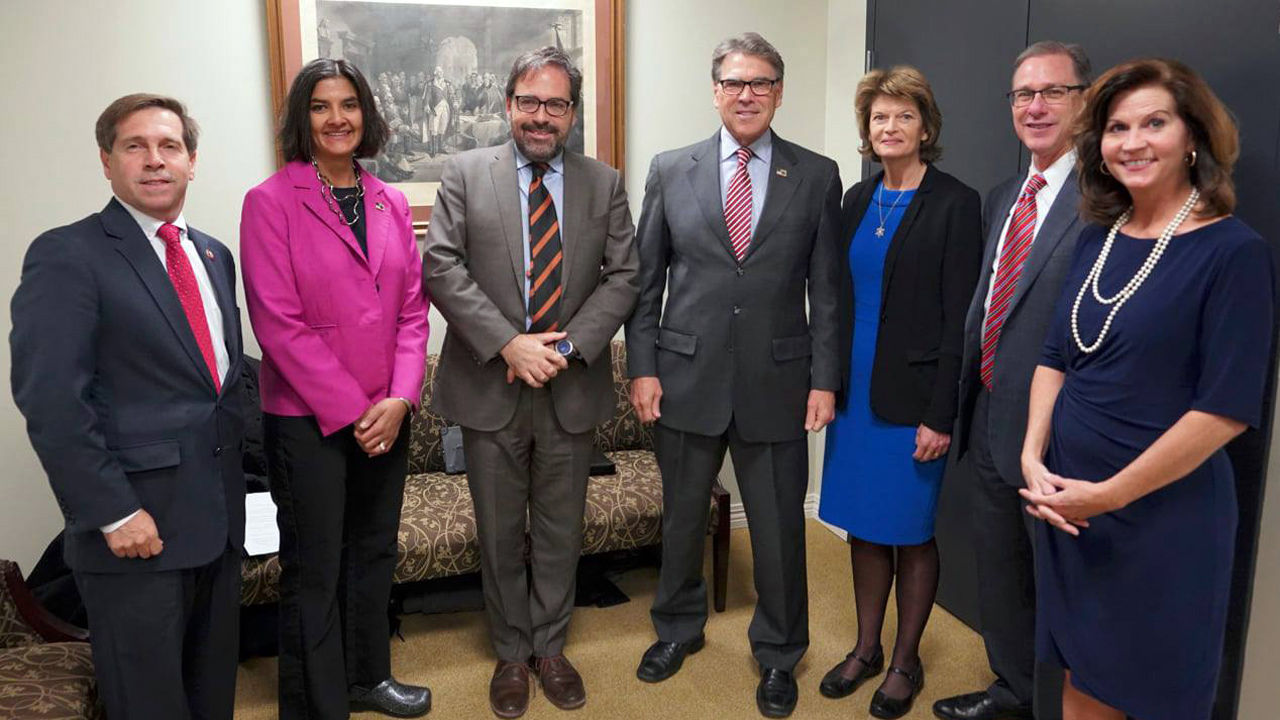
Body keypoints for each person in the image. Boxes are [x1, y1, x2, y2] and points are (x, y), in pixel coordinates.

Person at [1019, 58, 1272, 720]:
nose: (1132, 142)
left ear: (1193, 136)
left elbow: (1225, 412)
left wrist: (1107, 496)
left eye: (1154, 123)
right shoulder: (1097, 238)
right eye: (1116, 127)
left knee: (1155, 694)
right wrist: (1032, 454)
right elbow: (1055, 355)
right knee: (1081, 682)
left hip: (1162, 523)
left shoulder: (1233, 253)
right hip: (1073, 515)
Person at [625, 32, 842, 719]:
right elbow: (644, 283)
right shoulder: (670, 168)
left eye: (761, 83)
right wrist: (644, 368)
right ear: (714, 90)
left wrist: (824, 378)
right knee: (683, 519)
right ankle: (677, 629)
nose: (746, 94)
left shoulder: (816, 174)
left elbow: (829, 292)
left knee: (780, 529)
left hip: (780, 381)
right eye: (734, 82)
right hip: (685, 377)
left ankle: (779, 652)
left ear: (779, 92)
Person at [10, 93, 244, 720]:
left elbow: (218, 387)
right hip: (135, 532)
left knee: (211, 693)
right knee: (149, 703)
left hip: (216, 525)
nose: (154, 160)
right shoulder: (69, 253)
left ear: (192, 162)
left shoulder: (213, 255)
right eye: (134, 146)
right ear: (106, 163)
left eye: (170, 147)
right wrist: (114, 512)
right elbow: (52, 400)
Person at [422, 46, 638, 719]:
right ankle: (512, 654)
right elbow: (441, 267)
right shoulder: (463, 174)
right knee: (498, 529)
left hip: (569, 386)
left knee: (558, 528)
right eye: (529, 102)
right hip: (491, 384)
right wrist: (508, 345)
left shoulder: (604, 182)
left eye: (555, 104)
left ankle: (551, 648)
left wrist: (567, 348)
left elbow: (624, 276)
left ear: (572, 111)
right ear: (509, 104)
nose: (541, 116)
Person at [240, 58, 431, 720]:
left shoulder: (390, 201)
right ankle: (318, 704)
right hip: (305, 418)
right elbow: (277, 323)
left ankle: (368, 677)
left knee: (374, 551)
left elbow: (412, 312)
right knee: (316, 567)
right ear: (302, 118)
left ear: (366, 114)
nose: (337, 118)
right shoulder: (269, 202)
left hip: (389, 411)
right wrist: (355, 410)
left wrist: (401, 399)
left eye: (348, 104)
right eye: (321, 106)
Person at [934, 41, 1092, 720]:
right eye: (1023, 94)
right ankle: (1015, 692)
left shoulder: (1106, 197)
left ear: (1084, 100)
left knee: (1066, 585)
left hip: (1065, 434)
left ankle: (1065, 706)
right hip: (993, 418)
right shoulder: (1005, 196)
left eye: (1053, 91)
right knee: (1001, 573)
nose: (1034, 107)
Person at [816, 66, 980, 720]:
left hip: (913, 402)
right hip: (855, 396)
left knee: (909, 532)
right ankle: (865, 648)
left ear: (926, 127)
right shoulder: (857, 200)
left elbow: (959, 317)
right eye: (879, 118)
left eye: (902, 117)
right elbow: (835, 298)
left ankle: (906, 661)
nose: (889, 128)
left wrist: (941, 413)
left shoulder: (954, 202)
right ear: (867, 131)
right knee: (862, 528)